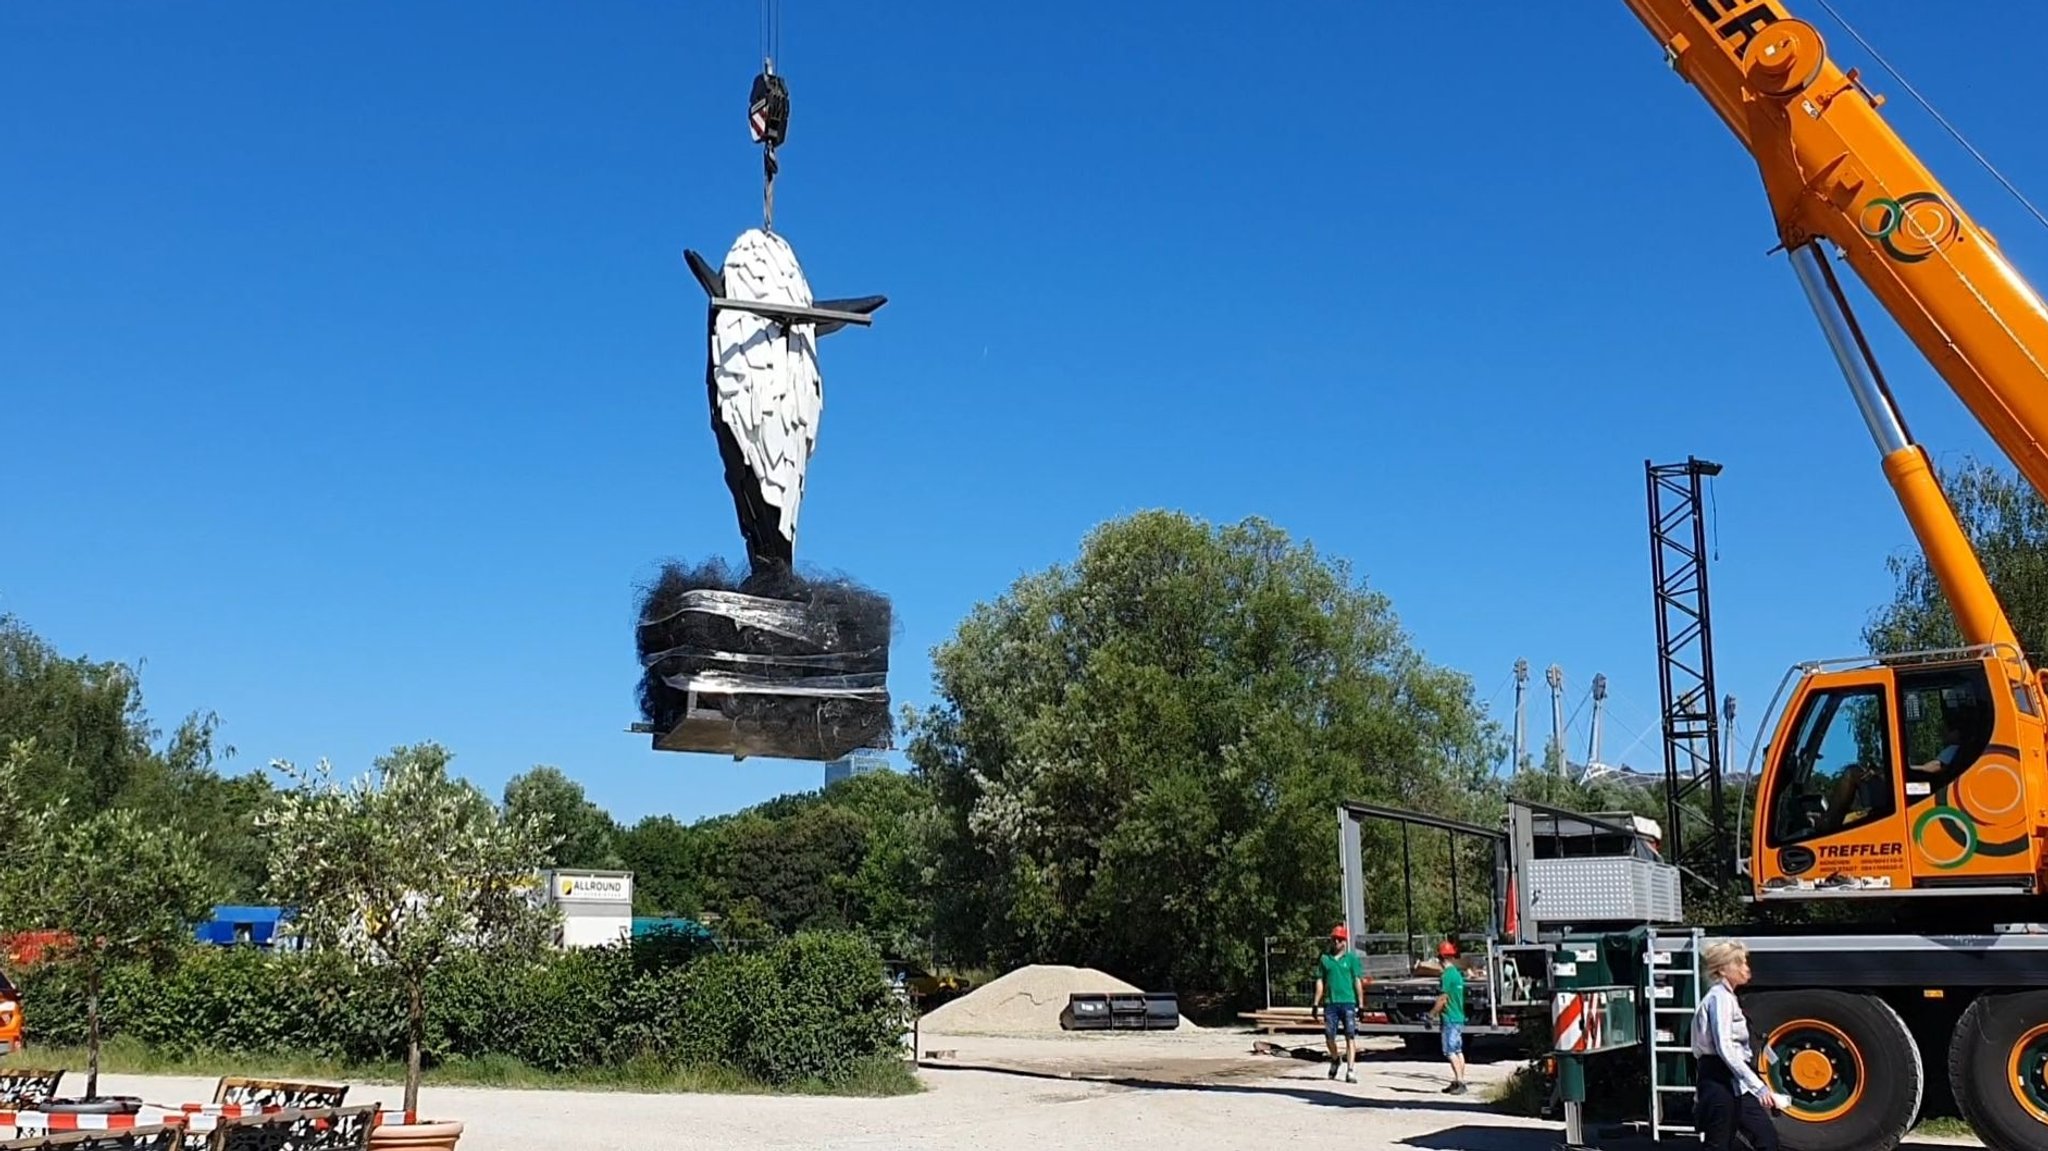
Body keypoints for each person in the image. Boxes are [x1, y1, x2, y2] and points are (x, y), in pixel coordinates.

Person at [1693, 939, 1790, 1150]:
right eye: (1741, 963)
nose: (1747, 969)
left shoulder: (1729, 997)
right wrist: (1760, 1088)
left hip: (1735, 1080)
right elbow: (1724, 1046)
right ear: (1724, 969)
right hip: (1719, 1078)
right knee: (1719, 1144)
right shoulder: (1719, 999)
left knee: (1766, 1138)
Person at [1314, 924, 1366, 1083]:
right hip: (1331, 1003)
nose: (1337, 942)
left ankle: (1350, 1070)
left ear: (1344, 941)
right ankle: (1335, 1058)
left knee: (1350, 1036)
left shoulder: (1351, 959)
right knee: (1329, 1036)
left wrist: (1361, 1004)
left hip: (1348, 1002)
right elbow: (1320, 981)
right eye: (1334, 939)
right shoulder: (1325, 959)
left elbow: (1357, 981)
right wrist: (1316, 1003)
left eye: (1340, 939)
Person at [1426, 939, 1467, 1094]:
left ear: (1440, 958)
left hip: (1449, 1017)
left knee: (1449, 1051)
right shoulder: (1457, 975)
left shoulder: (1446, 976)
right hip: (1458, 1016)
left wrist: (1431, 1015)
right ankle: (1458, 1080)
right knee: (1458, 1050)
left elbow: (1443, 999)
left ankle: (1460, 1082)